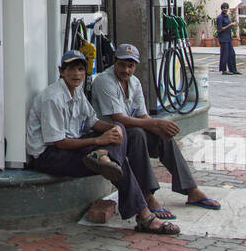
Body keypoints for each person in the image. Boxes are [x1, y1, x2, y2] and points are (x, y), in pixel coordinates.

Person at [26, 51, 176, 234]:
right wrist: (99, 140)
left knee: (120, 130)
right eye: (71, 69)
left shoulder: (76, 92)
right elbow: (60, 143)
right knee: (119, 163)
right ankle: (144, 215)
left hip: (71, 145)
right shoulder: (53, 98)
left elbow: (91, 121)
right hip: (49, 156)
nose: (77, 74)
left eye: (81, 69)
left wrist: (114, 129)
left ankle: (106, 160)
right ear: (61, 71)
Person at [90, 44, 221, 215]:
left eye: (131, 66)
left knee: (162, 136)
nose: (126, 70)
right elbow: (118, 118)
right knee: (138, 134)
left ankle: (191, 190)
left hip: (128, 131)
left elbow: (143, 115)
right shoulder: (104, 81)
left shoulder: (134, 83)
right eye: (122, 64)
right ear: (115, 62)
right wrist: (155, 124)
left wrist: (159, 128)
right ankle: (147, 195)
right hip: (110, 135)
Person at [216, 2, 239, 75]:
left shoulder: (227, 16)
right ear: (222, 9)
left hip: (228, 38)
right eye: (224, 8)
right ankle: (224, 70)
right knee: (224, 54)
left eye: (226, 8)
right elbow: (219, 29)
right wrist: (230, 25)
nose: (225, 9)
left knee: (232, 54)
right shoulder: (220, 17)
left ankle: (233, 69)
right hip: (223, 38)